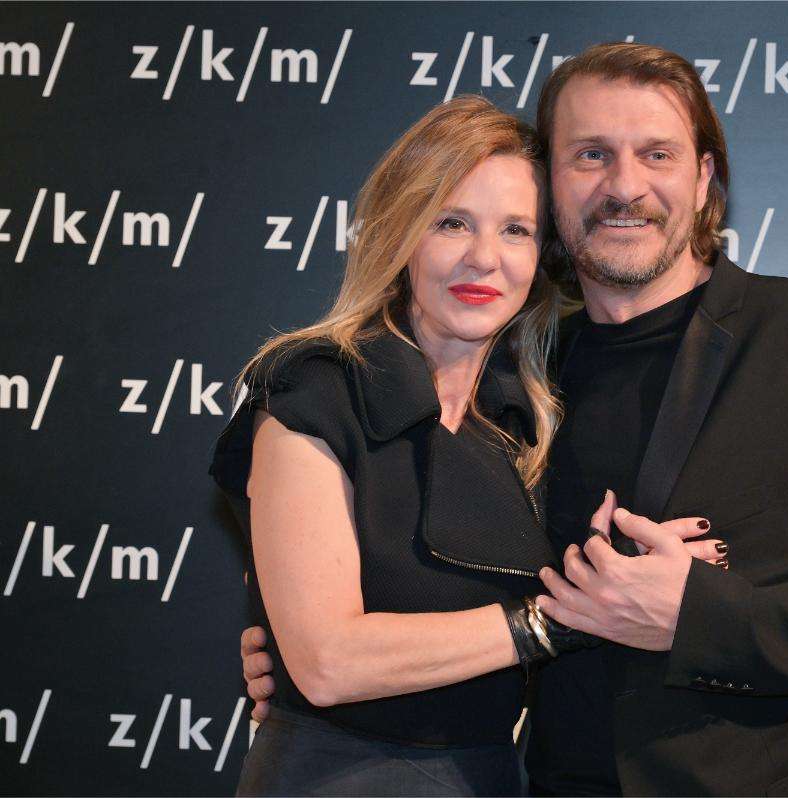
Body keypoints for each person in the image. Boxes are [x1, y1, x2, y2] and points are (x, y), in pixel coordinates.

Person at [242, 42, 788, 796]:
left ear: (703, 178)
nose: (625, 186)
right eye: (591, 155)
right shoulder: (523, 377)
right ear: (551, 184)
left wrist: (703, 618)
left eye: (657, 154)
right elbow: (429, 570)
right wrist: (304, 655)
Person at [210, 95, 727, 797]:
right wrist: (562, 620)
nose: (484, 258)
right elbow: (329, 663)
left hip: (489, 779)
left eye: (516, 230)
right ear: (402, 233)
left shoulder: (532, 423)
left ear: (541, 256)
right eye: (451, 222)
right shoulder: (318, 389)